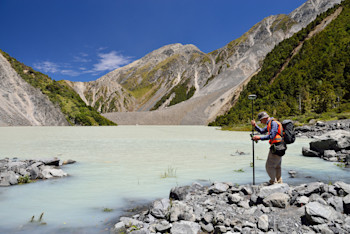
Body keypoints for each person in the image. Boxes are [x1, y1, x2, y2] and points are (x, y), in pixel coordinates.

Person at [251, 111, 284, 185]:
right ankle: (279, 182)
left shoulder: (273, 123)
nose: (261, 122)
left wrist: (259, 138)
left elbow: (272, 136)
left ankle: (273, 181)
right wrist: (255, 125)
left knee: (269, 166)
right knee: (277, 166)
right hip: (280, 146)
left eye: (261, 120)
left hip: (277, 146)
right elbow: (262, 131)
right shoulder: (270, 123)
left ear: (264, 118)